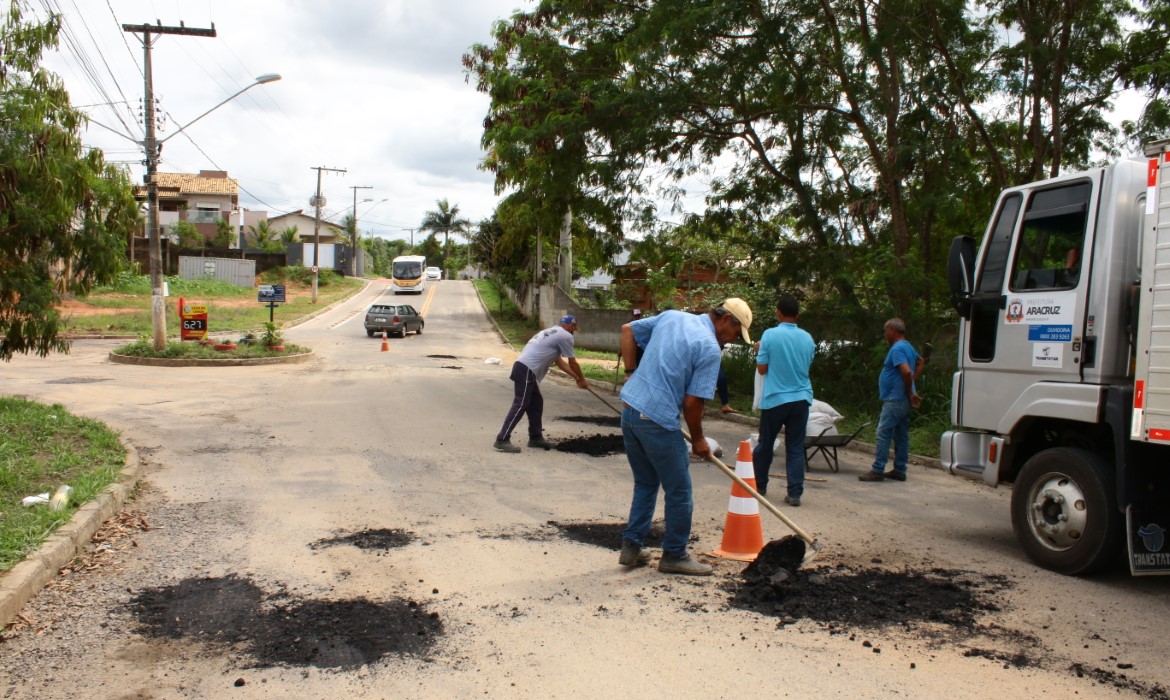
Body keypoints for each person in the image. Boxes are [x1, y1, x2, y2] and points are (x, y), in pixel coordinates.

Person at [617, 299, 753, 576]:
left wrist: (631, 373)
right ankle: (675, 555)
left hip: (630, 413)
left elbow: (627, 330)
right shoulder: (709, 348)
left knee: (646, 483)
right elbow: (693, 404)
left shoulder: (673, 317)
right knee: (679, 492)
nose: (733, 339)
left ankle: (631, 547)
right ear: (727, 320)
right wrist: (699, 439)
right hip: (656, 419)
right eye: (737, 333)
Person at [751, 295, 815, 506]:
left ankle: (759, 486)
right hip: (801, 399)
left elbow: (762, 369)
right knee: (795, 447)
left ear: (778, 312)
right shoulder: (808, 338)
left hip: (775, 399)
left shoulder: (769, 335)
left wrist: (758, 350)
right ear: (797, 315)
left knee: (766, 444)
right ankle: (794, 493)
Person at [494, 315, 589, 453]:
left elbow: (559, 362)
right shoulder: (565, 336)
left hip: (524, 367)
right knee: (521, 404)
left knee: (536, 402)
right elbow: (572, 362)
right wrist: (582, 378)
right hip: (526, 369)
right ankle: (502, 439)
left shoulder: (551, 332)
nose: (573, 332)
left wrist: (577, 378)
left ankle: (535, 437)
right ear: (571, 326)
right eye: (574, 328)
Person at [859, 318, 924, 482]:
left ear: (893, 330)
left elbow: (906, 372)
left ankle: (878, 469)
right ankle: (900, 469)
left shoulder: (897, 349)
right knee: (901, 434)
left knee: (883, 432)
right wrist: (912, 388)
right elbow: (920, 361)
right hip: (904, 400)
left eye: (885, 331)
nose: (884, 334)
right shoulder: (907, 346)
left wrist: (909, 391)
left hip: (896, 399)